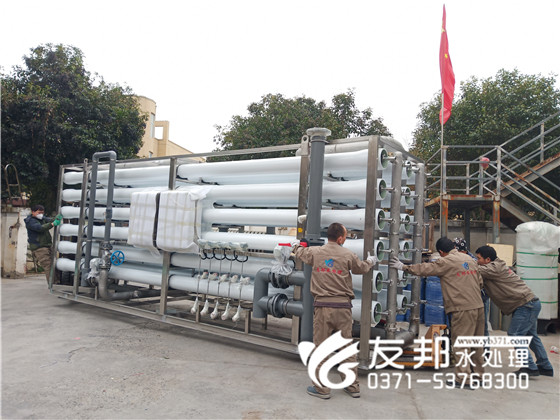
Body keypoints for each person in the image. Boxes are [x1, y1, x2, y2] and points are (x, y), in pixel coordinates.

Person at [292, 222, 377, 400]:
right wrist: (370, 261)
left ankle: (322, 389)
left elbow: (301, 253)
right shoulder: (348, 255)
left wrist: (296, 246)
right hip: (343, 309)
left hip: (323, 308)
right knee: (346, 348)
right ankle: (352, 386)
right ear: (340, 239)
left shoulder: (315, 252)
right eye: (345, 236)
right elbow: (361, 268)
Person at [390, 237, 485, 389]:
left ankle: (463, 379)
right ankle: (478, 376)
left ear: (441, 252)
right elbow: (480, 282)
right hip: (478, 306)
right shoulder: (470, 259)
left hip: (462, 308)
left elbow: (425, 269)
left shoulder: (446, 262)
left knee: (461, 344)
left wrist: (403, 267)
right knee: (476, 343)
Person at [475, 245, 554, 377]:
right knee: (531, 336)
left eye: (478, 258)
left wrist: (463, 263)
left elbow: (475, 270)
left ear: (488, 259)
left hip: (525, 305)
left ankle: (529, 366)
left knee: (515, 334)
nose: (477, 261)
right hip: (530, 303)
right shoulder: (494, 267)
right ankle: (545, 366)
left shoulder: (494, 267)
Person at [454, 237, 491, 339]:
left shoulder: (473, 262)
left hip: (480, 297)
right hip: (466, 298)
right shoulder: (460, 260)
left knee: (482, 325)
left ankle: (485, 348)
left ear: (463, 251)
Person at [24, 205, 62, 285]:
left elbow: (50, 220)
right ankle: (52, 284)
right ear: (33, 212)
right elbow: (40, 228)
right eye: (39, 212)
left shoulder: (41, 219)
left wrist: (57, 218)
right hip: (39, 247)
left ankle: (57, 282)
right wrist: (52, 224)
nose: (41, 214)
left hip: (47, 246)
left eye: (42, 212)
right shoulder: (30, 221)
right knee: (48, 266)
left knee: (55, 264)